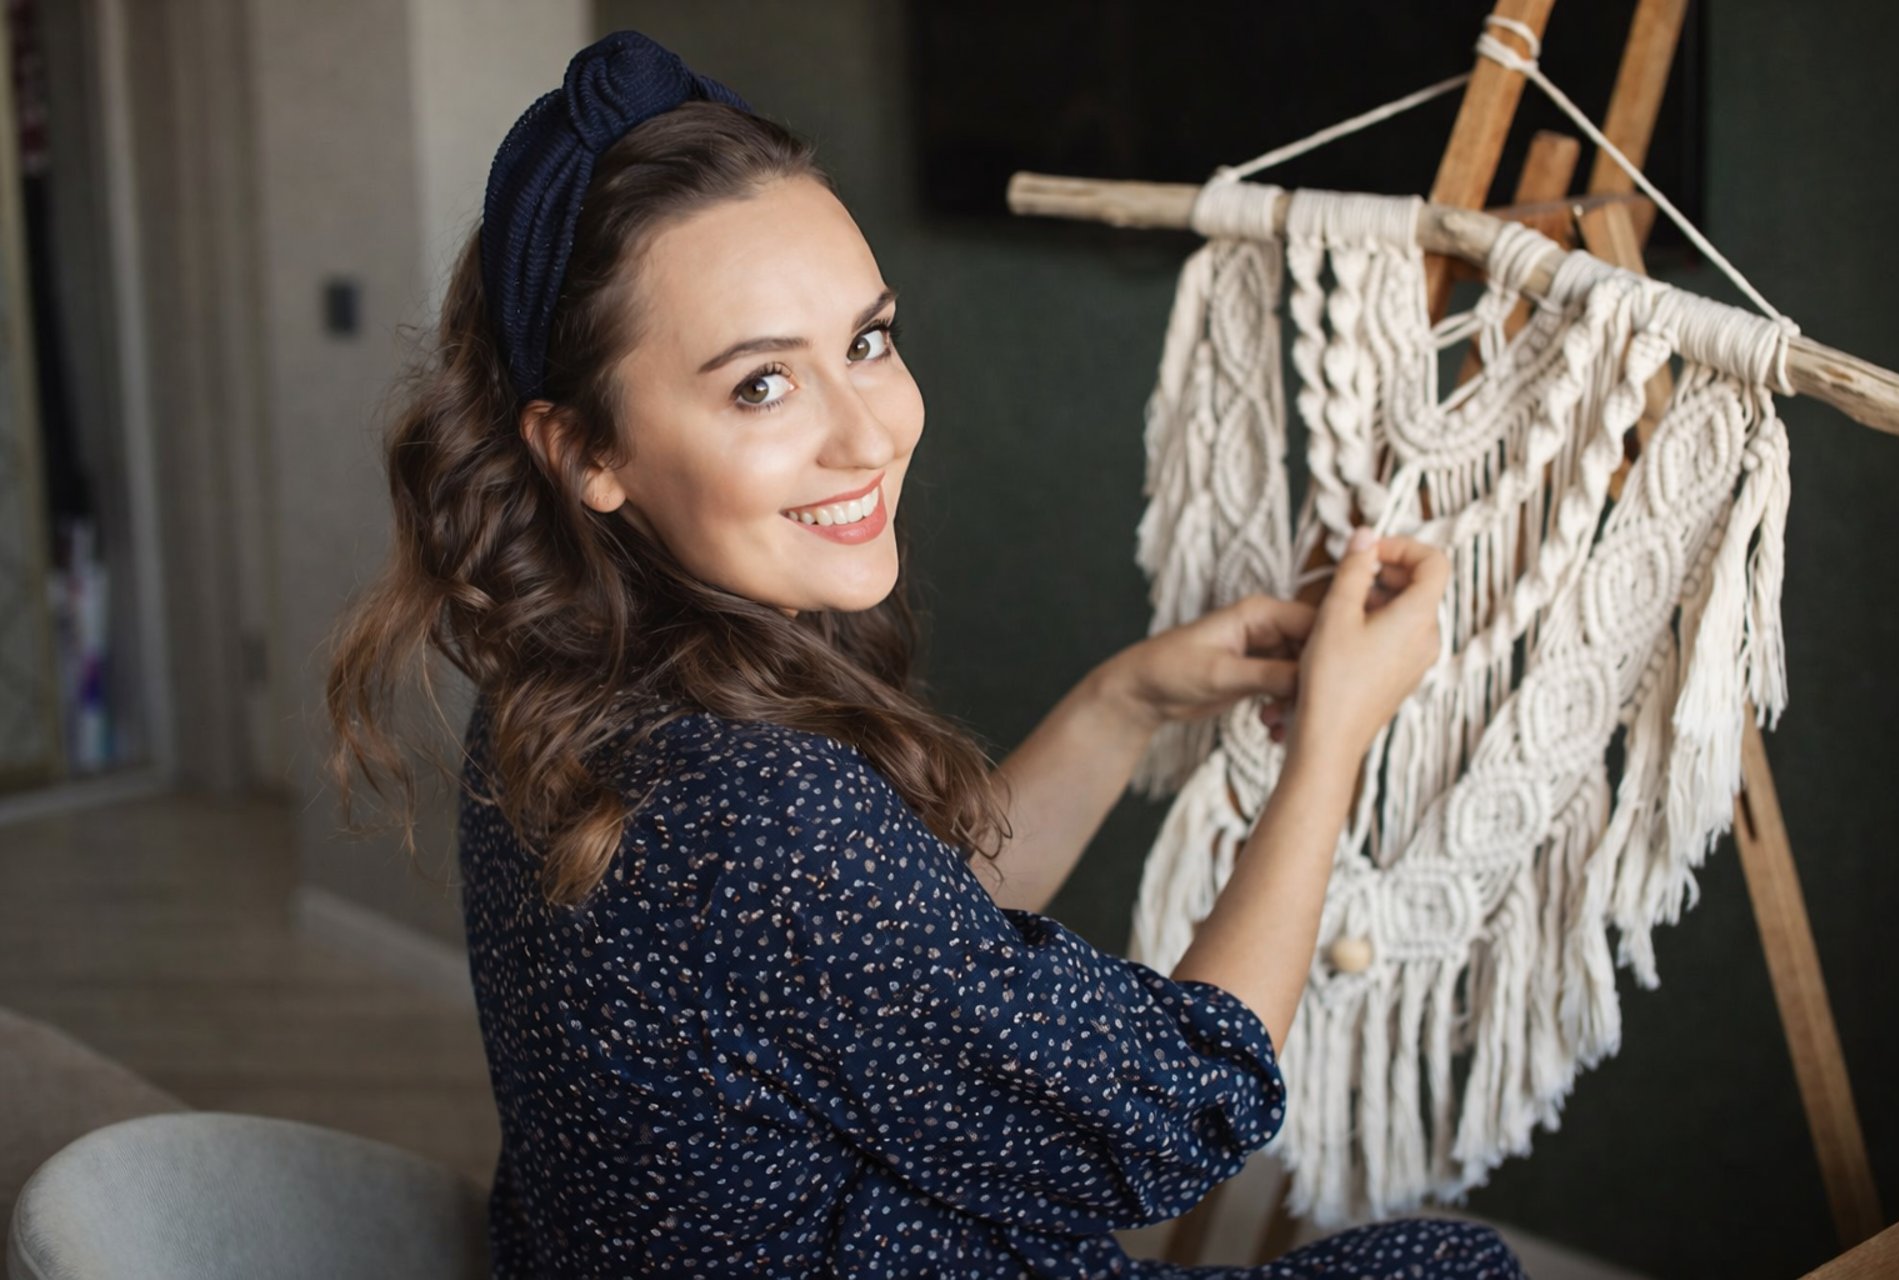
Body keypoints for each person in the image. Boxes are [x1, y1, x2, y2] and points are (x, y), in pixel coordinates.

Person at [324, 29, 1529, 1280]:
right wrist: (1333, 736)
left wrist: (1126, 701)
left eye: (867, 340)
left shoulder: (555, 693)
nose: (867, 433)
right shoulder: (757, 809)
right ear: (586, 451)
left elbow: (895, 973)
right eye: (759, 388)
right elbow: (1184, 1105)